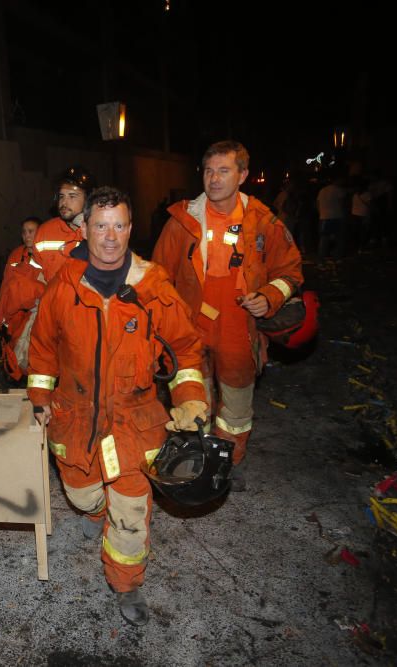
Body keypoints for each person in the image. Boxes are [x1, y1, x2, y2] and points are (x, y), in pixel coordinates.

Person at [27, 186, 207, 626]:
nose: (110, 236)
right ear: (84, 228)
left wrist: (189, 397)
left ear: (131, 229)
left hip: (134, 418)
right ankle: (93, 509)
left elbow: (185, 349)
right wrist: (40, 398)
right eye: (101, 225)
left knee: (130, 508)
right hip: (74, 418)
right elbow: (43, 349)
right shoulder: (63, 286)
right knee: (81, 493)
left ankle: (127, 583)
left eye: (120, 225)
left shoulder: (153, 284)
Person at [151, 141, 303, 488]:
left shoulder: (263, 222)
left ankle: (228, 462)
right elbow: (157, 277)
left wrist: (268, 297)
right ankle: (196, 459)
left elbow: (291, 271)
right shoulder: (182, 220)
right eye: (208, 170)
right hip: (190, 328)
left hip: (238, 328)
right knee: (192, 400)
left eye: (224, 170)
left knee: (235, 406)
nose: (214, 178)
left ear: (243, 175)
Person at [0, 217, 45, 380]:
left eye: (31, 231)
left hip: (36, 311)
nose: (27, 236)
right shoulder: (16, 255)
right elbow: (6, 286)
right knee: (15, 347)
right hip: (16, 312)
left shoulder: (46, 256)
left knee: (35, 353)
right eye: (24, 232)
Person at [31, 166, 96, 281]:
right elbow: (35, 274)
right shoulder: (45, 231)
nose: (64, 203)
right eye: (61, 196)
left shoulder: (99, 232)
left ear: (88, 200)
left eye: (72, 196)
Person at [316, 174, 350, 258]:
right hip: (337, 216)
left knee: (324, 238)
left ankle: (322, 255)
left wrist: (321, 212)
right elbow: (343, 204)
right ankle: (337, 254)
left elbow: (317, 203)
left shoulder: (323, 190)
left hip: (324, 217)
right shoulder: (339, 190)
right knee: (339, 237)